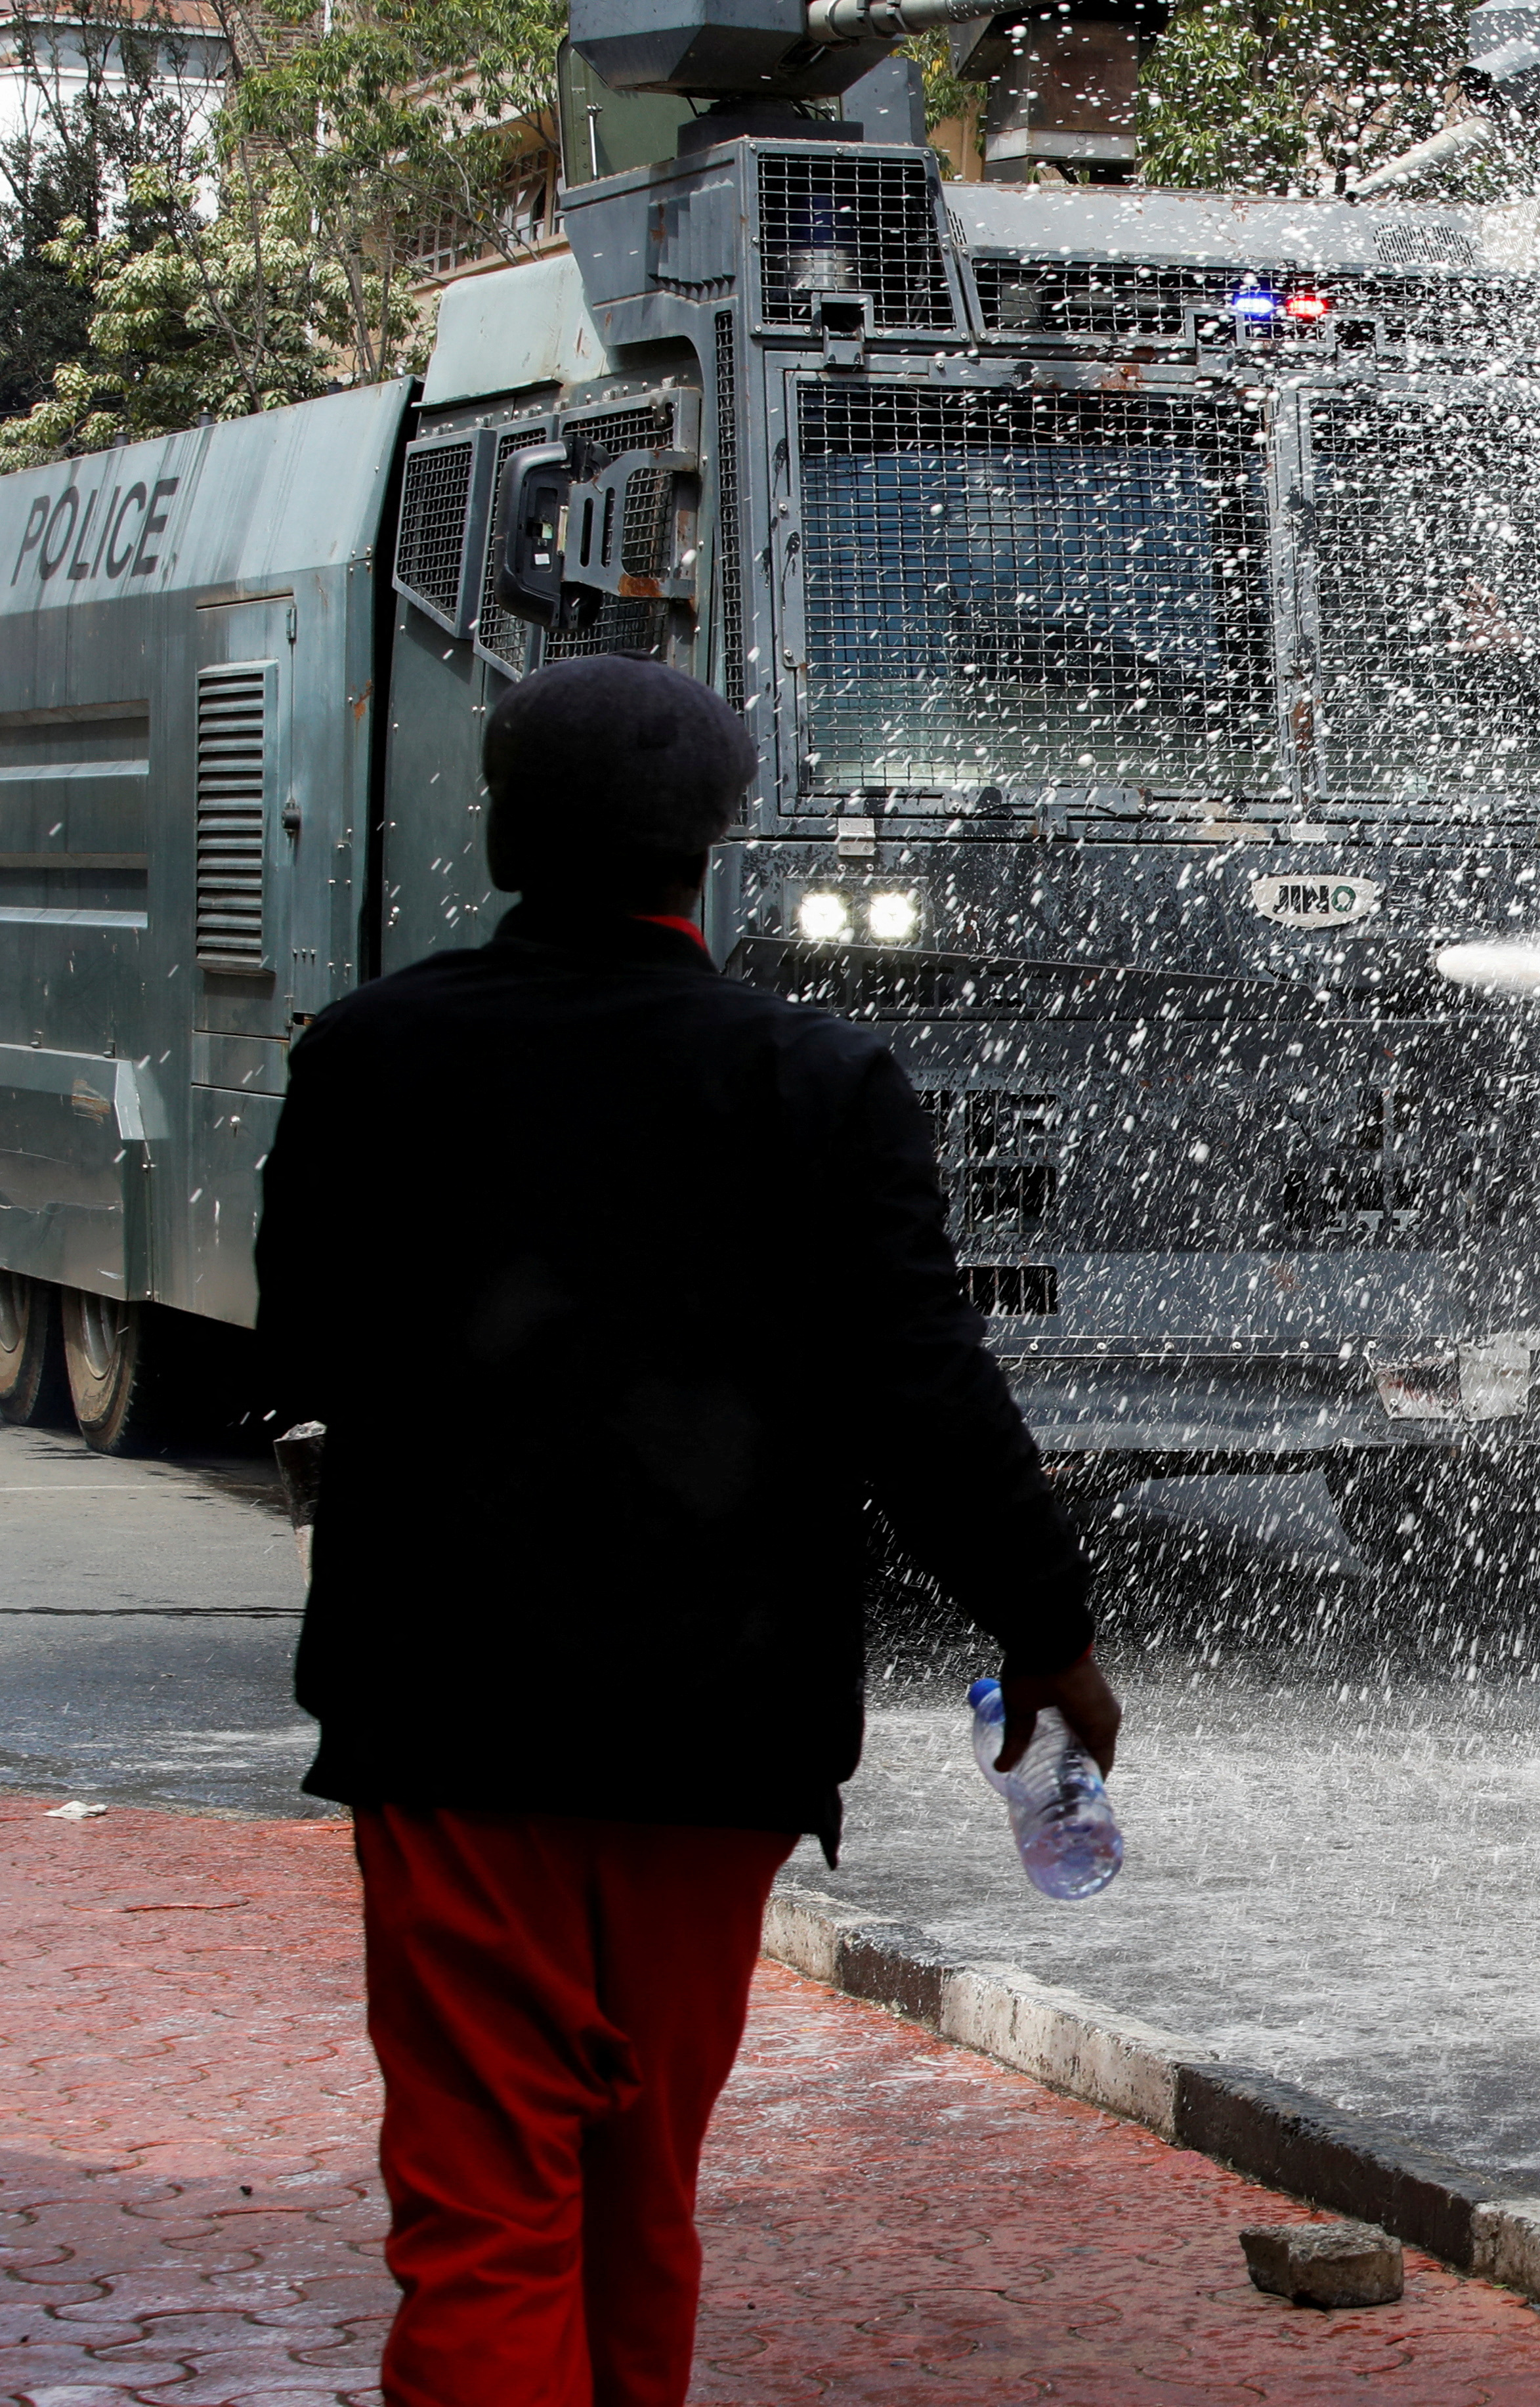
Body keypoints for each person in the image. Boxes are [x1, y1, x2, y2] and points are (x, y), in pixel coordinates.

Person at [258, 656, 1113, 2407]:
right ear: (715, 840)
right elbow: (925, 1393)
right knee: (638, 2193)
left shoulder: (372, 1052)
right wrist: (1046, 1631)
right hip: (713, 1731)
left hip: (454, 1711)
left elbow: (304, 1346)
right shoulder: (815, 1080)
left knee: (487, 2207)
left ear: (498, 827)